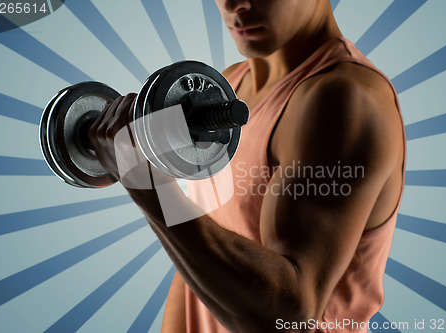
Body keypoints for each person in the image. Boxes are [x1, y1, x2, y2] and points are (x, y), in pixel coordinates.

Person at [88, 0, 406, 332]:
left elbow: (289, 319)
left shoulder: (346, 98)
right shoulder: (229, 84)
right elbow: (198, 254)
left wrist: (148, 183)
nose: (232, 3)